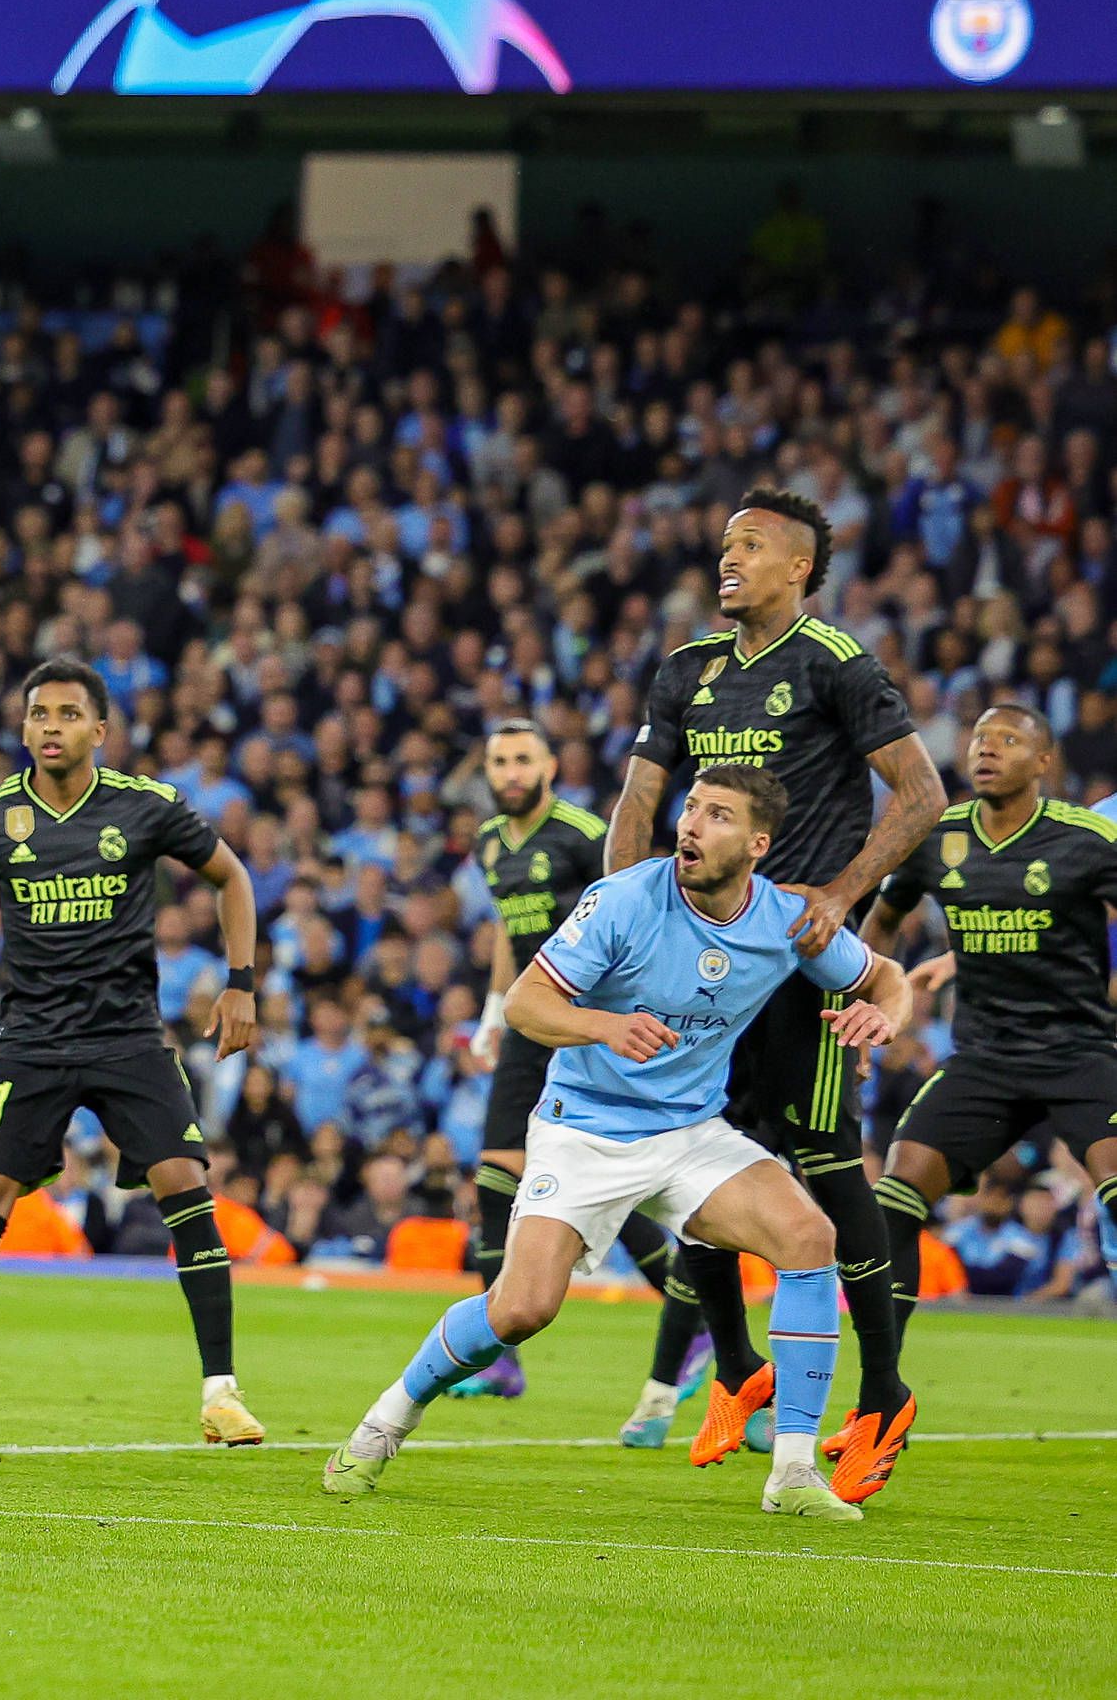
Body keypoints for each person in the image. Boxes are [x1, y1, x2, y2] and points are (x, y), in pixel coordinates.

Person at [325, 765, 914, 1523]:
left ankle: (794, 1473)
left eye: (719, 816)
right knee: (523, 1308)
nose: (693, 825)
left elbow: (889, 978)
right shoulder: (624, 898)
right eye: (692, 807)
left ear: (758, 844)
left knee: (808, 1236)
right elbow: (527, 1003)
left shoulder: (785, 920)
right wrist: (605, 1025)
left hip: (689, 1134)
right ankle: (384, 1423)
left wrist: (886, 1017)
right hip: (584, 1129)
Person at [605, 487, 941, 1496]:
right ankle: (739, 1368)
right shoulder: (687, 672)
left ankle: (883, 1393)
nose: (728, 559)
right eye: (723, 545)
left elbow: (922, 793)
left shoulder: (832, 662)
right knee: (682, 1152)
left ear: (799, 567)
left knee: (832, 1162)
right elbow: (639, 803)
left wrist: (840, 894)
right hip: (702, 960)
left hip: (797, 962)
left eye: (749, 546)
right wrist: (623, 918)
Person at [0, 657, 264, 1453]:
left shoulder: (145, 806)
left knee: (185, 1183)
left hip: (128, 1038)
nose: (50, 727)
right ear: (22, 729)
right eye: (37, 714)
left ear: (100, 729)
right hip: (30, 1042)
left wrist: (241, 984)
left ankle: (222, 1393)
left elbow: (233, 878)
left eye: (66, 713)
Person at [863, 705, 1117, 1378]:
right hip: (985, 1060)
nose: (987, 750)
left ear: (1044, 762)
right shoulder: (935, 837)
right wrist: (867, 1007)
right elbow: (882, 922)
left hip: (1081, 1053)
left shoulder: (1087, 838)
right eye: (979, 739)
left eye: (1009, 740)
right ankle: (881, 1393)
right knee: (896, 1193)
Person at [455, 718, 683, 1409]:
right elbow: (508, 926)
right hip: (530, 1018)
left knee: (603, 1176)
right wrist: (495, 1010)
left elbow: (635, 913)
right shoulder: (490, 843)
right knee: (497, 1171)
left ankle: (690, 1319)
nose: (511, 772)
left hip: (586, 1019)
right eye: (499, 761)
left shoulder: (585, 835)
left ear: (550, 765)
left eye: (524, 759)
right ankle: (498, 1355)